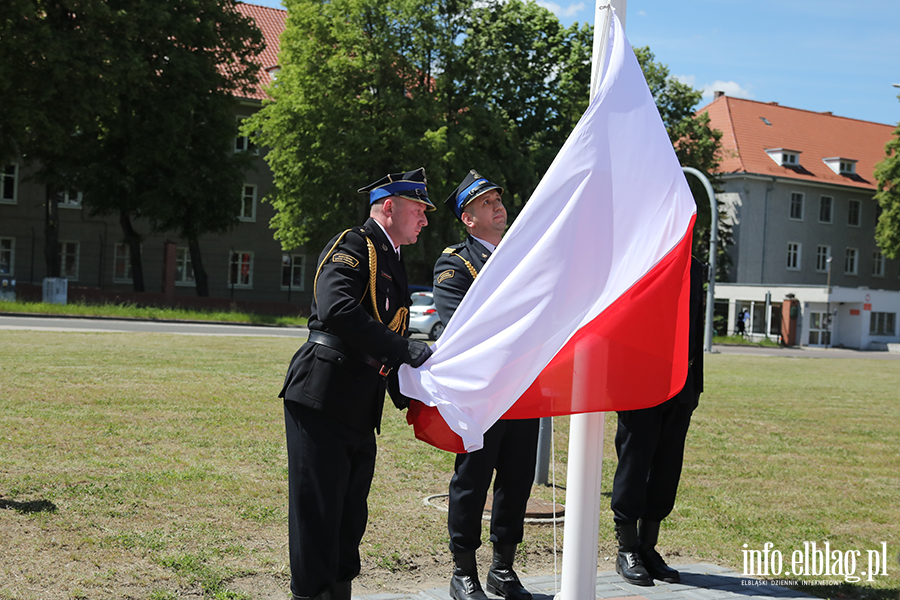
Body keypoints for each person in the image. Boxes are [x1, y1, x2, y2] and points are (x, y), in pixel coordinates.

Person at [279, 167, 435, 600]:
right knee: (318, 515)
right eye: (419, 209)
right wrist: (405, 351)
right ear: (390, 206)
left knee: (349, 519)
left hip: (358, 403)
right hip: (323, 394)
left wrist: (414, 395)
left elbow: (389, 334)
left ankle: (338, 592)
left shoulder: (395, 261)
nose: (424, 219)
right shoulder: (353, 245)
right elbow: (338, 310)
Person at [433, 169, 539, 600]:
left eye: (498, 199)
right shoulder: (454, 263)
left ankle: (503, 568)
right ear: (468, 219)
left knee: (518, 480)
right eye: (487, 203)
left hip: (525, 391)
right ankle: (463, 571)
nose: (499, 207)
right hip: (482, 395)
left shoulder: (526, 256)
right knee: (472, 481)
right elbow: (456, 326)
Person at [609, 257, 705, 586]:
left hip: (682, 384)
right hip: (641, 381)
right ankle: (627, 549)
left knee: (666, 470)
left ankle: (649, 547)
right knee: (635, 463)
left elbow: (696, 323)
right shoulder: (643, 254)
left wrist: (695, 385)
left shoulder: (693, 262)